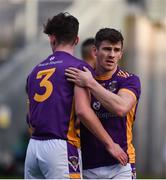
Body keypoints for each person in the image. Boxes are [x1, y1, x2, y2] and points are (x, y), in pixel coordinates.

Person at [24, 13, 128, 179]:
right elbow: (82, 111)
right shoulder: (78, 68)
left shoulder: (34, 71)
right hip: (61, 147)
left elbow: (30, 117)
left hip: (33, 148)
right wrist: (110, 144)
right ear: (77, 40)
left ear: (52, 38)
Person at [65, 28, 141, 179]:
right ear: (95, 51)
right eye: (107, 49)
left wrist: (91, 84)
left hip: (121, 163)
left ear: (121, 54)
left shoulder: (129, 80)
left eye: (116, 50)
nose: (112, 55)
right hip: (87, 164)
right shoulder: (81, 78)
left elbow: (121, 108)